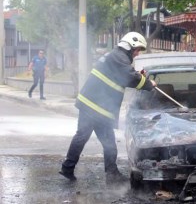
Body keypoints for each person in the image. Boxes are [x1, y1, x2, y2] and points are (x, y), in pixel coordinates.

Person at [59, 32, 157, 185]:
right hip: (94, 106)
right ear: (129, 46)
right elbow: (129, 76)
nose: (137, 54)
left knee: (107, 142)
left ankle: (108, 174)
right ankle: (72, 169)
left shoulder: (117, 57)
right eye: (137, 49)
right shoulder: (119, 57)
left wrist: (138, 76)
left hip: (96, 107)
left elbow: (124, 75)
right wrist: (149, 84)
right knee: (84, 137)